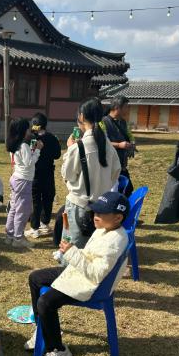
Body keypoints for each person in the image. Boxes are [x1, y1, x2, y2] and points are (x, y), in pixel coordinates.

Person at [26, 191, 130, 356]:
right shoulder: (104, 229)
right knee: (35, 278)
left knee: (46, 302)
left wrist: (72, 253)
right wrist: (72, 250)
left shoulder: (116, 241)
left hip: (91, 286)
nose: (95, 216)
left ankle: (58, 351)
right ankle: (42, 328)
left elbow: (96, 274)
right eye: (95, 211)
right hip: (79, 274)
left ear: (118, 218)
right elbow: (91, 256)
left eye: (101, 213)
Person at [60, 98, 121, 248]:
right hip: (101, 207)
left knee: (72, 249)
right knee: (92, 249)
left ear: (81, 116)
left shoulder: (79, 147)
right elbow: (115, 174)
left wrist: (69, 149)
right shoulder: (108, 145)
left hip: (79, 205)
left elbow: (68, 175)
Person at [5, 118, 43, 248]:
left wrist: (32, 150)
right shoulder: (23, 145)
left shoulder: (14, 144)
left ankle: (10, 235)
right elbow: (29, 163)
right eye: (27, 128)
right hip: (23, 181)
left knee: (14, 208)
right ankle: (18, 238)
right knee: (23, 211)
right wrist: (38, 149)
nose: (29, 131)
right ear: (22, 131)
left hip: (16, 179)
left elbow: (23, 160)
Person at [25, 112, 61, 239]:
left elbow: (29, 155)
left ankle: (35, 227)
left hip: (35, 174)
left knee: (35, 200)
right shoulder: (52, 138)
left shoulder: (31, 138)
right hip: (48, 172)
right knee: (48, 197)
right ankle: (45, 223)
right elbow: (57, 155)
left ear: (34, 124)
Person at [102, 95, 135, 197]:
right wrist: (119, 145)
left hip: (122, 165)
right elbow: (101, 142)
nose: (128, 109)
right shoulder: (103, 122)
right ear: (117, 107)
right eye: (126, 107)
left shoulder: (123, 122)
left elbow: (130, 135)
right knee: (111, 194)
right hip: (109, 166)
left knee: (127, 190)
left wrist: (132, 145)